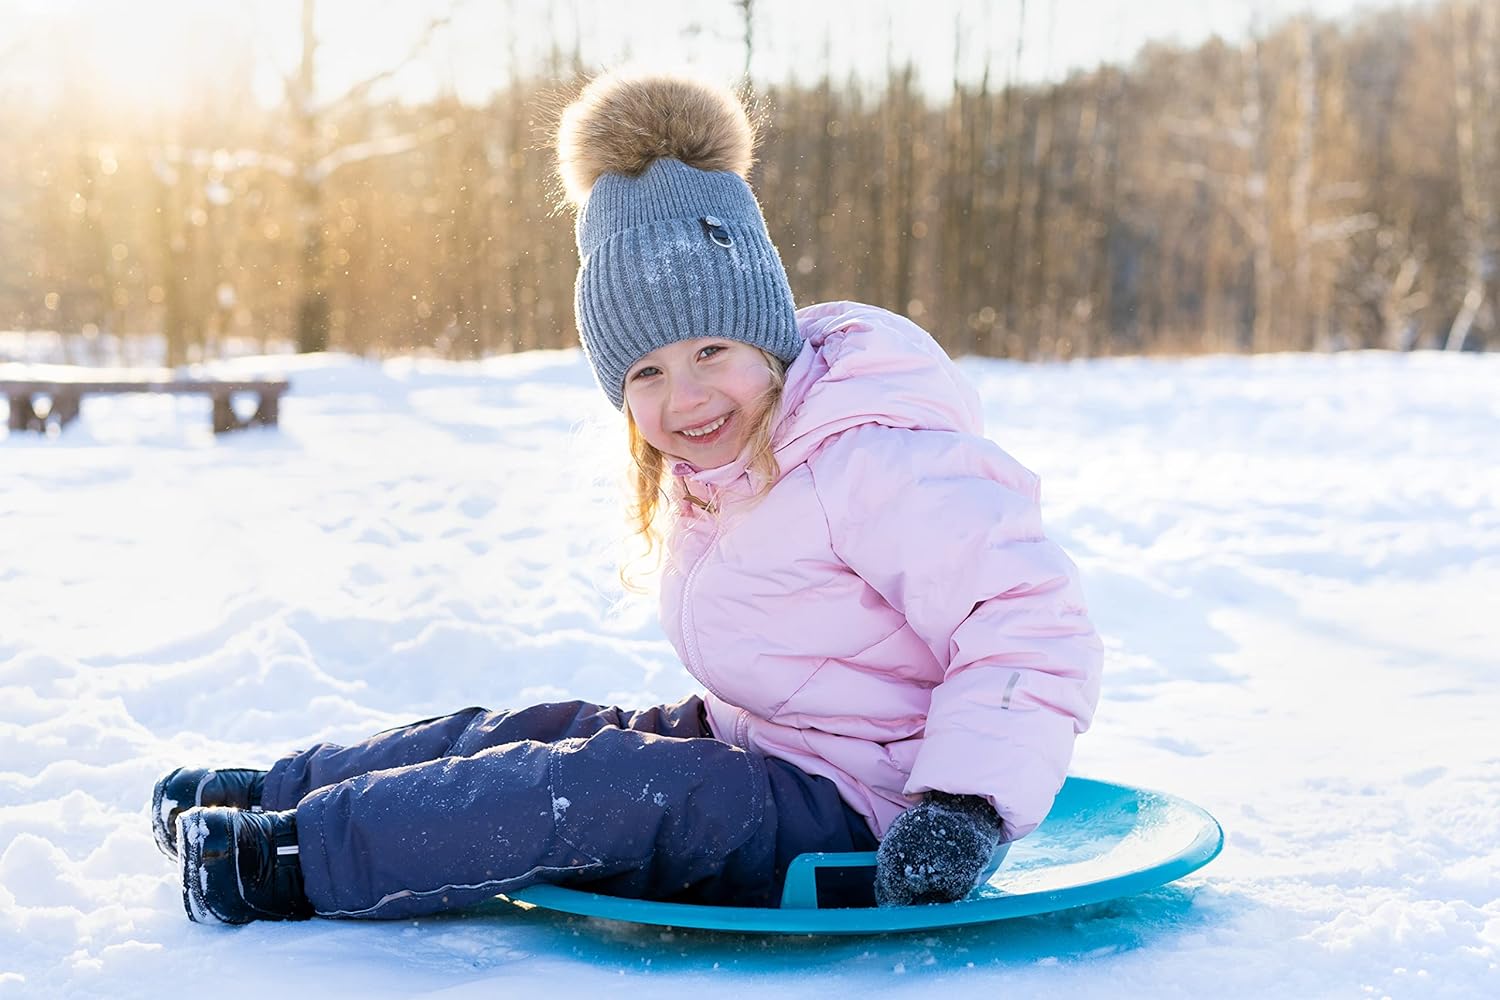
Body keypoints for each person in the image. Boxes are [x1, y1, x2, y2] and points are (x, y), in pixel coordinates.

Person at [154, 73, 1103, 925]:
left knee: (593, 790)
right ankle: (277, 792)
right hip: (765, 748)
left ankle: (288, 856)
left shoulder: (872, 455)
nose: (684, 398)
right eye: (645, 372)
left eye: (710, 353)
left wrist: (964, 809)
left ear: (766, 336)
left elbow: (1027, 620)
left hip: (874, 812)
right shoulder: (724, 463)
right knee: (548, 734)